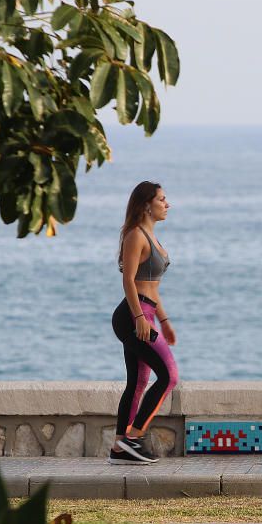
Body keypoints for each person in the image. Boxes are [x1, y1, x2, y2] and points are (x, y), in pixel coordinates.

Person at [108, 181, 179, 464]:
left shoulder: (153, 238)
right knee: (169, 376)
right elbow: (129, 280)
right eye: (162, 199)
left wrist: (165, 322)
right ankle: (133, 438)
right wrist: (140, 318)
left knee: (138, 382)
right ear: (147, 204)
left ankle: (119, 448)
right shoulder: (135, 236)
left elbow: (153, 287)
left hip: (145, 313)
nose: (167, 204)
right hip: (132, 316)